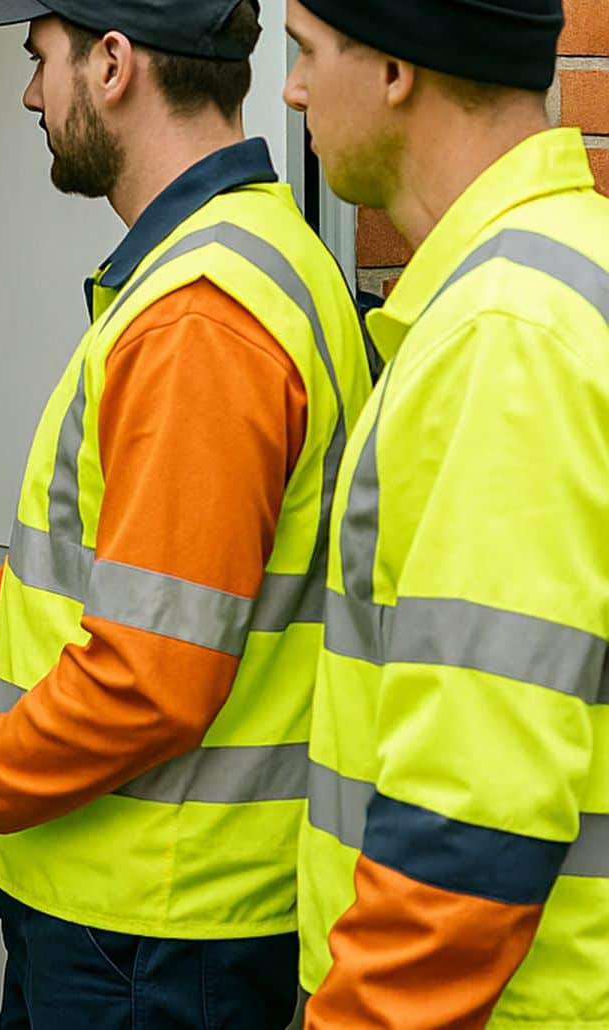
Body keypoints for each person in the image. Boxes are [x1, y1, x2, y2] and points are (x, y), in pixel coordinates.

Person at [0, 1, 373, 1025]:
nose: (29, 93)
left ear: (111, 65)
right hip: (140, 926)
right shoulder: (232, 260)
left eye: (37, 60)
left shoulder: (204, 313)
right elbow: (132, 572)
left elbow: (146, 684)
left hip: (153, 936)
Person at [281, 2, 609, 1026]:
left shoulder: (502, 336)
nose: (289, 89)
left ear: (392, 69)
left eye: (303, 51)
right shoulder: (561, 269)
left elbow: (472, 811)